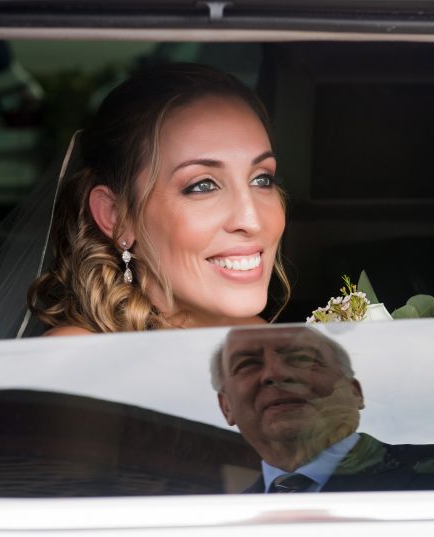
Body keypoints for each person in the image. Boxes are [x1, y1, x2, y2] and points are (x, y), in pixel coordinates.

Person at [26, 63, 289, 335]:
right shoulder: (72, 358)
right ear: (115, 216)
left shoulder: (263, 342)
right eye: (202, 185)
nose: (251, 220)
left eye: (262, 179)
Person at [210, 326, 434, 493]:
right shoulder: (207, 524)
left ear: (355, 392)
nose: (274, 374)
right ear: (226, 407)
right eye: (248, 365)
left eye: (301, 359)